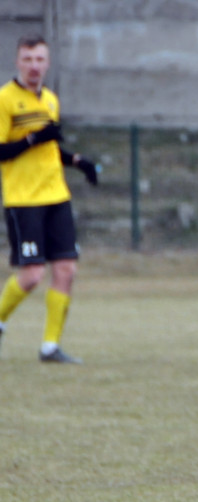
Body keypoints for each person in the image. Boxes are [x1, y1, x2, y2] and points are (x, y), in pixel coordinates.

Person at [0, 34, 99, 364]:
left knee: (66, 269)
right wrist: (33, 137)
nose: (34, 66)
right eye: (27, 59)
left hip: (57, 195)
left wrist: (77, 162)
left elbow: (49, 147)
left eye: (40, 59)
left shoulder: (51, 100)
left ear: (48, 63)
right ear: (17, 62)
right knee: (30, 276)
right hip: (24, 199)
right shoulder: (5, 99)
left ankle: (50, 347)